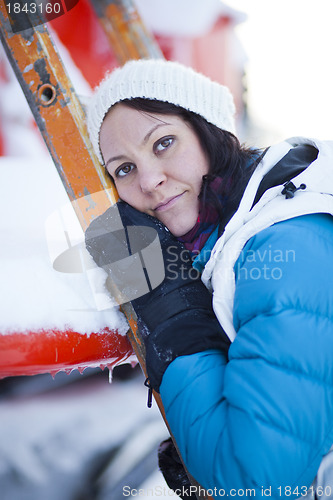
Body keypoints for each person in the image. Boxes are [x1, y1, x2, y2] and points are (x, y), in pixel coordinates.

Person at [85, 59, 333, 499]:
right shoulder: (241, 237)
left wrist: (168, 301)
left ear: (209, 133)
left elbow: (257, 485)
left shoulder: (284, 247)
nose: (150, 180)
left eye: (163, 143)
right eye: (123, 168)